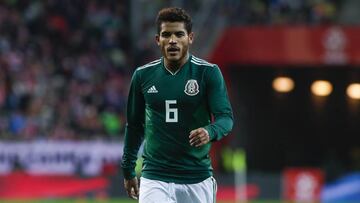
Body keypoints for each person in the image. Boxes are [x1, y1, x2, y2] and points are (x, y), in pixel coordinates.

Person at [121, 7, 233, 203]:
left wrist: (210, 131)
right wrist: (128, 169)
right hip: (155, 176)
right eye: (166, 34)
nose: (172, 40)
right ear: (158, 40)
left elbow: (225, 118)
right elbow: (134, 126)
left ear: (190, 38)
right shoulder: (142, 75)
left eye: (179, 34)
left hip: (196, 177)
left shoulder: (208, 73)